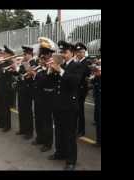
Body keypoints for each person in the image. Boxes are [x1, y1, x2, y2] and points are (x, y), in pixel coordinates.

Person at [47, 40, 83, 170]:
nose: (63, 54)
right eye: (61, 52)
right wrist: (51, 70)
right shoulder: (60, 65)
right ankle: (60, 152)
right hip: (58, 104)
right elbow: (51, 83)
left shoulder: (77, 65)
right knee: (59, 131)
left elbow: (74, 82)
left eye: (65, 52)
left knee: (69, 134)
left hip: (69, 106)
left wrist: (60, 70)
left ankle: (71, 160)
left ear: (72, 53)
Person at [31, 38, 56, 152]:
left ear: (50, 54)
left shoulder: (52, 65)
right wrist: (37, 70)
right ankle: (40, 137)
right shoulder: (41, 64)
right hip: (38, 95)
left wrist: (37, 73)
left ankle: (48, 143)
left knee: (47, 121)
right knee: (38, 118)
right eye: (42, 52)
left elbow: (45, 80)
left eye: (45, 53)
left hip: (48, 96)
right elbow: (37, 81)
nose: (42, 55)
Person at [11, 45, 37, 140]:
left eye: (25, 54)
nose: (24, 56)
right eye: (24, 54)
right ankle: (22, 128)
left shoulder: (33, 62)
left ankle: (29, 132)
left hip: (28, 90)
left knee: (27, 111)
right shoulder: (24, 62)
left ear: (30, 54)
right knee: (21, 110)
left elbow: (28, 76)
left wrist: (19, 69)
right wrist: (14, 68)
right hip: (21, 89)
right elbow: (18, 74)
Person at [74, 42, 91, 137]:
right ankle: (77, 128)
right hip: (76, 89)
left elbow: (86, 76)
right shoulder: (78, 62)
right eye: (77, 52)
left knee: (80, 110)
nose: (79, 54)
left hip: (82, 89)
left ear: (84, 52)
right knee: (76, 110)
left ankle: (81, 130)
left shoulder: (86, 62)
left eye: (81, 52)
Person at [91, 56, 101, 147]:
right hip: (98, 94)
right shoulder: (98, 64)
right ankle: (99, 140)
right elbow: (94, 80)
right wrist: (95, 76)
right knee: (98, 118)